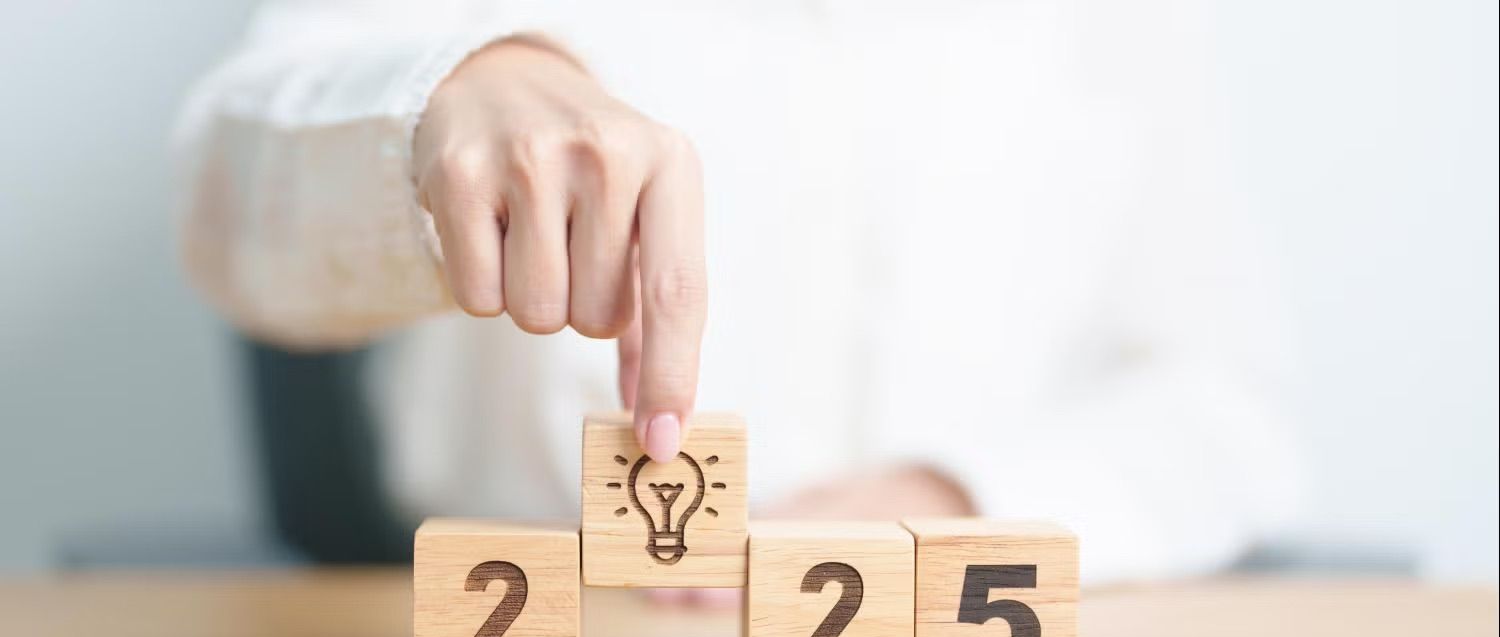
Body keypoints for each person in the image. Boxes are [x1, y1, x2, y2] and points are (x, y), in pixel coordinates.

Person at [174, 0, 1301, 589]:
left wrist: (959, 498)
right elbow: (221, 203)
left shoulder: (1124, 19)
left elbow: (1224, 404)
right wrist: (456, 92)